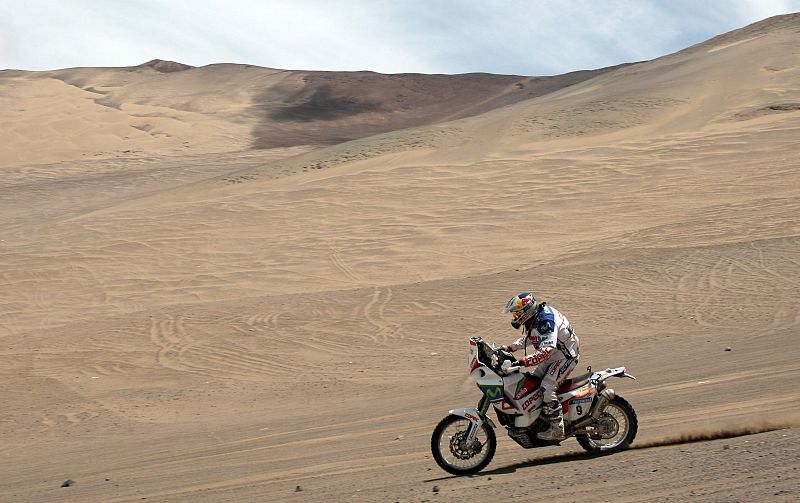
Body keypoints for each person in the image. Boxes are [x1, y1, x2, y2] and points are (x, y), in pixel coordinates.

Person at [500, 292, 580, 441]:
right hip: (553, 356)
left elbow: (546, 350)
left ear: (526, 311)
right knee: (531, 384)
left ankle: (557, 429)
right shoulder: (535, 318)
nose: (515, 317)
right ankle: (538, 419)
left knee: (547, 388)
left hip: (565, 357)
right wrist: (510, 348)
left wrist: (522, 361)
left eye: (517, 313)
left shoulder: (545, 321)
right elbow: (531, 337)